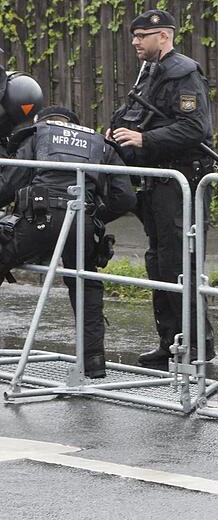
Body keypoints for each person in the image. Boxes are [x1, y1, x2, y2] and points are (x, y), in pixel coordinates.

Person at [109, 9, 216, 369]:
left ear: (164, 36)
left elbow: (195, 128)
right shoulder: (150, 72)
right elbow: (139, 115)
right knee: (157, 262)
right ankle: (169, 342)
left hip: (182, 179)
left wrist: (144, 138)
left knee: (178, 263)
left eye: (143, 36)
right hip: (157, 180)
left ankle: (198, 345)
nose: (136, 42)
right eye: (134, 36)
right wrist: (119, 132)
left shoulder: (183, 72)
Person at [0, 105, 136, 378]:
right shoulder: (100, 143)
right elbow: (126, 198)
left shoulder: (38, 134)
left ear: (42, 121)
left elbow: (9, 184)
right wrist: (96, 217)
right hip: (81, 220)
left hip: (38, 218)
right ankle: (94, 361)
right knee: (86, 283)